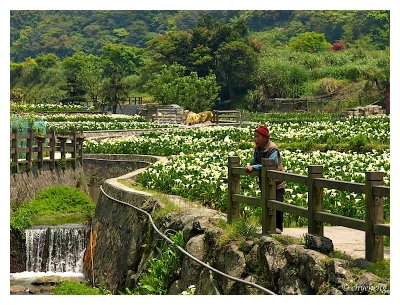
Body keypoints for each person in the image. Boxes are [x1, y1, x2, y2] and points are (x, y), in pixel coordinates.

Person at [245, 125, 285, 233]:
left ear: (265, 138)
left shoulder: (273, 149)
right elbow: (255, 162)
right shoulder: (258, 148)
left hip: (277, 182)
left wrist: (254, 167)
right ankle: (268, 226)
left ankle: (278, 229)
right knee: (267, 204)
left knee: (277, 204)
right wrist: (251, 165)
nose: (255, 139)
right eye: (254, 136)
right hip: (266, 182)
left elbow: (271, 165)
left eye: (257, 137)